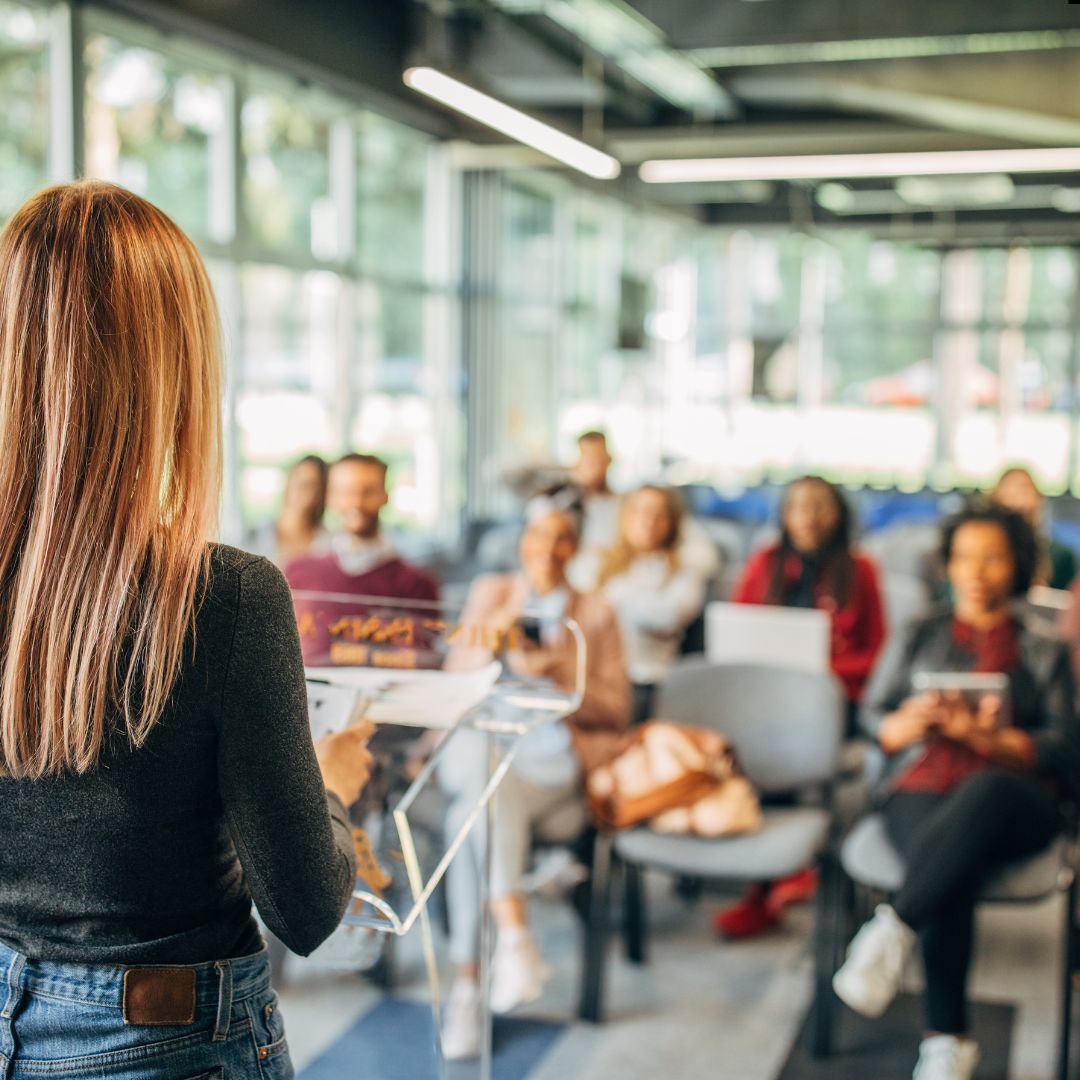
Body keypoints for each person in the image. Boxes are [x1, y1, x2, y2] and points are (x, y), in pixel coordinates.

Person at [0, 181, 371, 1076]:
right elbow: (307, 907)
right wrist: (331, 786)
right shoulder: (226, 597)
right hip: (164, 1041)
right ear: (174, 367)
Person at [833, 504, 1079, 1080]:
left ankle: (894, 928)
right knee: (948, 861)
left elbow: (1065, 750)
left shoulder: (1043, 646)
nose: (977, 570)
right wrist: (899, 727)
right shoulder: (921, 630)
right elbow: (872, 715)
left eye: (992, 557)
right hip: (922, 782)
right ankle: (947, 1045)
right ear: (947, 564)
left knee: (984, 793)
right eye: (965, 556)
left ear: (1016, 565)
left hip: (1016, 797)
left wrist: (990, 739)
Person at [437, 497, 631, 1060]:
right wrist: (494, 634)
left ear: (576, 547)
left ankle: (469, 987)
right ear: (521, 538)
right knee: (481, 774)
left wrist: (560, 672)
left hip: (549, 760)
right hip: (480, 742)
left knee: (467, 817)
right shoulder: (492, 592)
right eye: (537, 535)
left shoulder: (595, 611)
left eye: (561, 538)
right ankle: (514, 935)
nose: (546, 549)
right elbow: (453, 678)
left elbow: (616, 708)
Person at [714, 475, 887, 938]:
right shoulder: (764, 564)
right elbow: (737, 633)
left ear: (838, 514)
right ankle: (767, 879)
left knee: (789, 741)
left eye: (820, 507)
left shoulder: (861, 570)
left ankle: (787, 873)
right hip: (766, 699)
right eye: (799, 507)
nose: (809, 517)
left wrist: (821, 668)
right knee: (755, 740)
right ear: (784, 515)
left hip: (833, 702)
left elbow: (878, 655)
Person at [285, 453, 440, 664]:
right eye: (346, 492)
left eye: (368, 492)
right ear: (330, 498)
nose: (356, 502)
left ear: (385, 496)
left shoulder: (417, 583)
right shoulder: (298, 572)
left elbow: (422, 657)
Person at [596, 485, 710, 725]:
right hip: (599, 676)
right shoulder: (602, 564)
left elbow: (669, 615)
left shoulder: (684, 568)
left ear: (672, 522)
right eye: (639, 512)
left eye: (659, 514)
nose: (647, 522)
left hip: (649, 680)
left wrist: (613, 600)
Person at [991, 465, 1078, 590]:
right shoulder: (982, 550)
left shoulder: (1061, 555)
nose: (1018, 500)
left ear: (1039, 499)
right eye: (1011, 493)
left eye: (1024, 490)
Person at [246, 454, 331, 567]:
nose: (302, 490)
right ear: (288, 482)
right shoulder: (252, 536)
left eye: (312, 485)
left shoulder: (329, 546)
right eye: (299, 481)